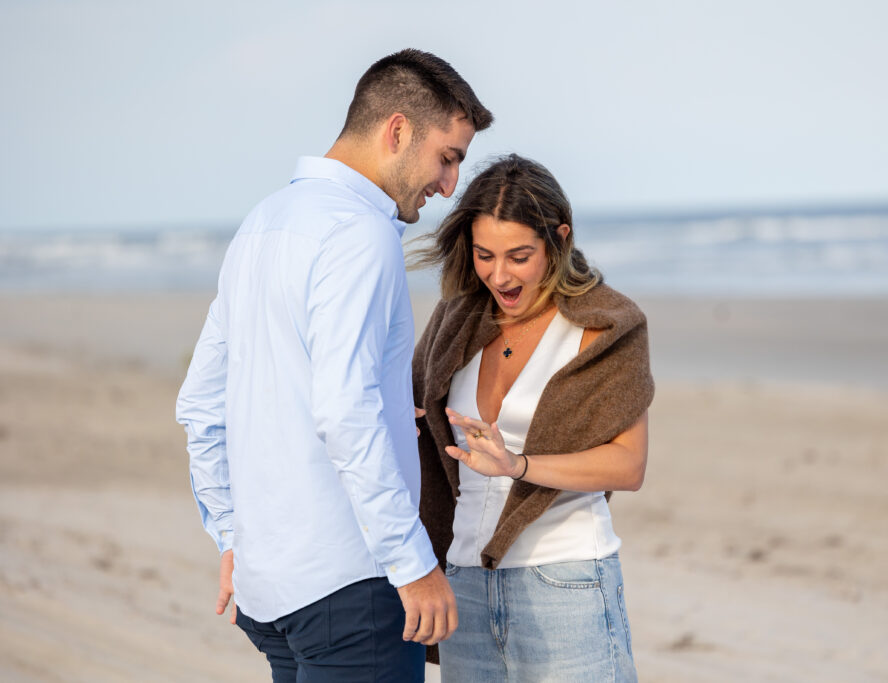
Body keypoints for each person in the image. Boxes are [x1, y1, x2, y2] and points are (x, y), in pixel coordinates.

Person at [175, 49, 492, 682]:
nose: (450, 185)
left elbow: (201, 405)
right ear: (397, 130)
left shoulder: (262, 223)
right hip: (351, 590)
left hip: (272, 592)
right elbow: (346, 413)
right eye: (447, 157)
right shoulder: (359, 233)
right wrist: (412, 563)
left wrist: (233, 538)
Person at [412, 154, 654, 681]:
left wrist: (518, 465)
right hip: (463, 581)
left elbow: (628, 465)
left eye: (519, 256)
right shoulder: (454, 321)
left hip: (566, 580)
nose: (499, 275)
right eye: (484, 255)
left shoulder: (606, 327)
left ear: (558, 239)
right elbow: (420, 423)